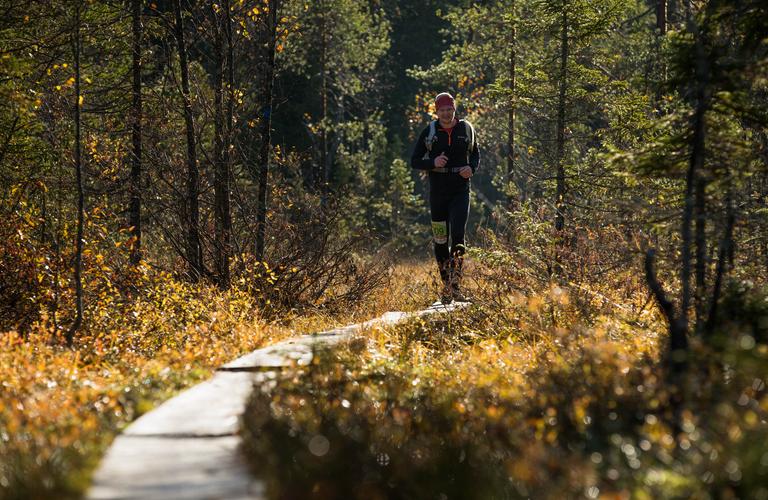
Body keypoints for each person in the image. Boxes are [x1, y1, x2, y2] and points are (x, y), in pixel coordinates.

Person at [411, 92, 480, 304]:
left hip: (460, 191)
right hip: (438, 193)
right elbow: (415, 160)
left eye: (449, 109)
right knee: (441, 240)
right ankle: (446, 286)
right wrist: (433, 162)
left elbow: (475, 154)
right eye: (442, 110)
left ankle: (455, 286)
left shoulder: (466, 128)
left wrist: (472, 168)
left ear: (454, 108)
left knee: (458, 236)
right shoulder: (430, 131)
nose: (446, 113)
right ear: (436, 111)